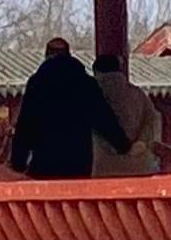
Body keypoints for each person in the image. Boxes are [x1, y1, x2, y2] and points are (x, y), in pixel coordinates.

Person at [6, 37, 116, 180]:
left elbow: (26, 124)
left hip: (45, 160)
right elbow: (103, 117)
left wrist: (18, 162)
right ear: (68, 54)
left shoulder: (38, 83)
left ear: (47, 55)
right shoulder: (85, 82)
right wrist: (123, 146)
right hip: (79, 160)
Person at [88, 47, 159, 177]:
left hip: (102, 166)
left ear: (96, 71)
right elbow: (151, 121)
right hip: (139, 166)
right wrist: (141, 143)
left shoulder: (90, 95)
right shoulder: (138, 94)